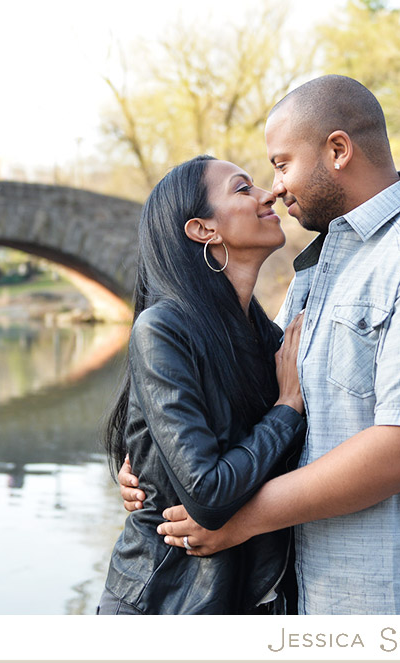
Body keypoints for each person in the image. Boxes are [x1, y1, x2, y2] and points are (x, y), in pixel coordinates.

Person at [119, 75, 400, 615]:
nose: (274, 188)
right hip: (332, 605)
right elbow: (252, 404)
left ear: (338, 150)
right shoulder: (316, 271)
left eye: (281, 164)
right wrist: (151, 466)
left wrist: (240, 517)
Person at [97, 154, 308, 615]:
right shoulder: (164, 329)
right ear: (202, 229)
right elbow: (208, 494)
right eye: (242, 188)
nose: (267, 193)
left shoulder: (265, 335)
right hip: (164, 603)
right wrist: (287, 409)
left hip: (249, 599)